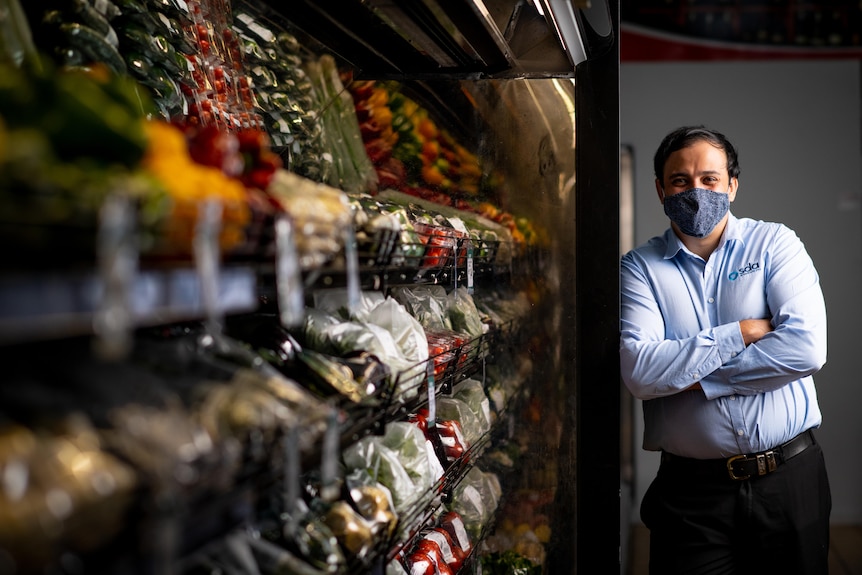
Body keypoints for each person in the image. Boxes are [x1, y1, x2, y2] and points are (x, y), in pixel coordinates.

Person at [619, 125, 831, 574]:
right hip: (691, 494)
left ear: (732, 186)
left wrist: (700, 378)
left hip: (789, 479)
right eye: (680, 181)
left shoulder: (775, 244)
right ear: (660, 189)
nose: (696, 191)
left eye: (710, 179)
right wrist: (742, 331)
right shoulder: (639, 269)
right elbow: (640, 372)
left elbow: (806, 349)